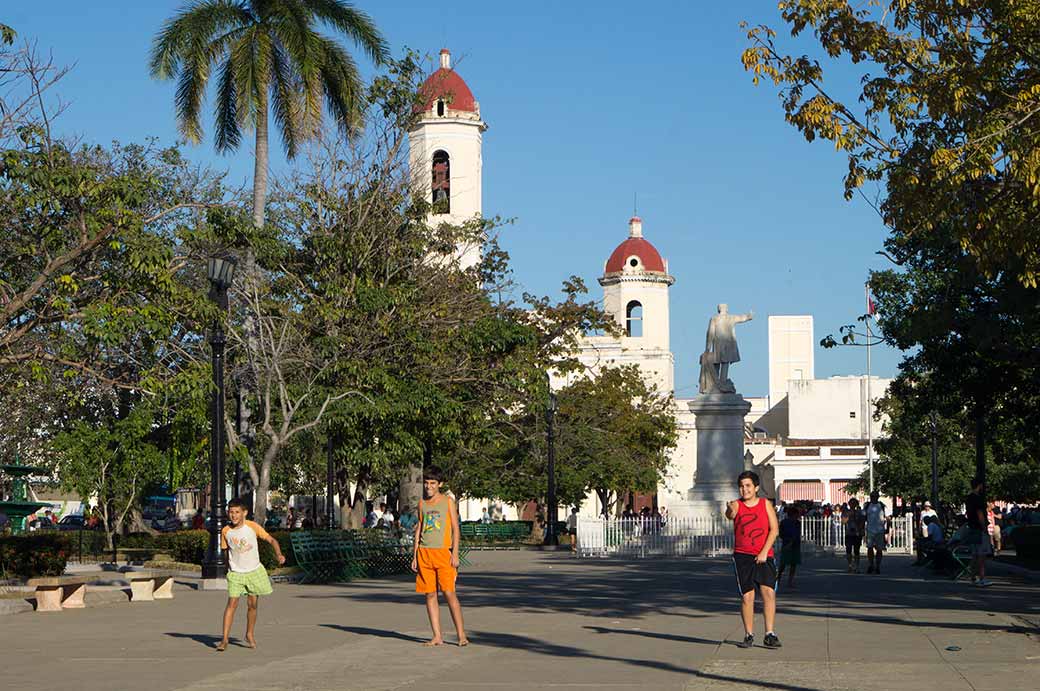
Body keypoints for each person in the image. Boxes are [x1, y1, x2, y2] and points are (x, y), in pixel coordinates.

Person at [217, 498, 285, 652]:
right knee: (232, 603)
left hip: (254, 571)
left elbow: (272, 540)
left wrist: (279, 554)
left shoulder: (252, 527)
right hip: (236, 573)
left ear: (244, 513)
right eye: (231, 512)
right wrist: (228, 570)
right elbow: (227, 552)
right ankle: (225, 639)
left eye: (237, 512)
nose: (233, 515)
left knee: (252, 604)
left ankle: (249, 633)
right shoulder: (226, 531)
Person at [410, 466, 468, 647]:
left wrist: (455, 553)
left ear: (440, 484)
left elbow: (455, 529)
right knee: (430, 595)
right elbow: (419, 527)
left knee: (449, 593)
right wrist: (414, 555)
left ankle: (461, 635)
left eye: (432, 483)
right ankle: (437, 636)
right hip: (424, 554)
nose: (429, 487)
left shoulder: (448, 502)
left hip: (443, 553)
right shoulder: (422, 503)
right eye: (426, 483)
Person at [726, 470, 781, 649]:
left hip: (765, 556)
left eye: (748, 486)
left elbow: (774, 530)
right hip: (743, 556)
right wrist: (729, 509)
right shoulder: (736, 505)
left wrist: (765, 551)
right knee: (747, 596)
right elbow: (730, 515)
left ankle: (769, 633)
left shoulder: (765, 504)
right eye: (741, 486)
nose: (745, 489)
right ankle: (749, 634)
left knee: (768, 593)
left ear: (756, 487)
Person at [965, 477, 993, 587]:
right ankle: (982, 578)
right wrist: (984, 528)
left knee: (974, 555)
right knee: (982, 555)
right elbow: (980, 514)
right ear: (979, 486)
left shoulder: (969, 498)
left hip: (972, 528)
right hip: (979, 529)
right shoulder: (978, 499)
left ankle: (972, 577)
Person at [863, 491, 888, 574]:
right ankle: (871, 565)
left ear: (878, 497)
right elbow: (864, 517)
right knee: (869, 548)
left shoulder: (881, 505)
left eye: (875, 496)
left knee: (879, 549)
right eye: (872, 496)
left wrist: (887, 529)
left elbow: (886, 518)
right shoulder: (867, 506)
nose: (873, 498)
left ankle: (878, 566)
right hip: (870, 530)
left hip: (880, 530)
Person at [777, 506, 801, 589]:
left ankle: (788, 581)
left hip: (792, 544)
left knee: (791, 564)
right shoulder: (786, 523)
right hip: (789, 544)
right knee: (784, 564)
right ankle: (780, 579)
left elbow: (781, 534)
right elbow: (781, 533)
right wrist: (789, 541)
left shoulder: (796, 523)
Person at [843, 497, 866, 573]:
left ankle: (857, 566)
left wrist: (859, 529)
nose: (852, 505)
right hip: (849, 533)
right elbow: (843, 521)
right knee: (848, 550)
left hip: (857, 533)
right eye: (851, 503)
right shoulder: (846, 512)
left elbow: (862, 522)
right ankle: (849, 565)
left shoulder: (860, 512)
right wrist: (849, 516)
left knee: (857, 550)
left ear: (856, 504)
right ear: (849, 504)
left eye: (854, 503)